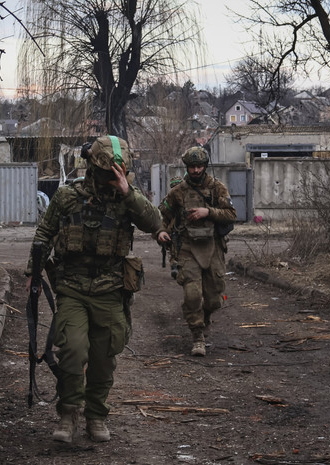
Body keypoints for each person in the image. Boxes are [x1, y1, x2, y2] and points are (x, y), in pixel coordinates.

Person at [25, 135, 161, 443]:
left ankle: (96, 416)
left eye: (119, 172)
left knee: (103, 358)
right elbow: (44, 233)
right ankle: (68, 413)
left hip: (111, 289)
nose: (112, 178)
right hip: (72, 287)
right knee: (72, 350)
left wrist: (128, 193)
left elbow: (155, 222)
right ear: (93, 169)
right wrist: (33, 273)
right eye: (107, 172)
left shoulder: (127, 198)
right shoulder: (67, 197)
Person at [155, 146, 237, 356]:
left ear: (205, 166)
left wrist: (207, 211)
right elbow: (162, 216)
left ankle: (206, 315)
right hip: (187, 248)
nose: (196, 170)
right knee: (192, 295)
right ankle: (197, 336)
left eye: (199, 166)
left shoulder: (217, 188)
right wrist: (161, 232)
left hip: (213, 247)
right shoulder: (177, 192)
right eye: (192, 167)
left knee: (215, 297)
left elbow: (231, 214)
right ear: (187, 167)